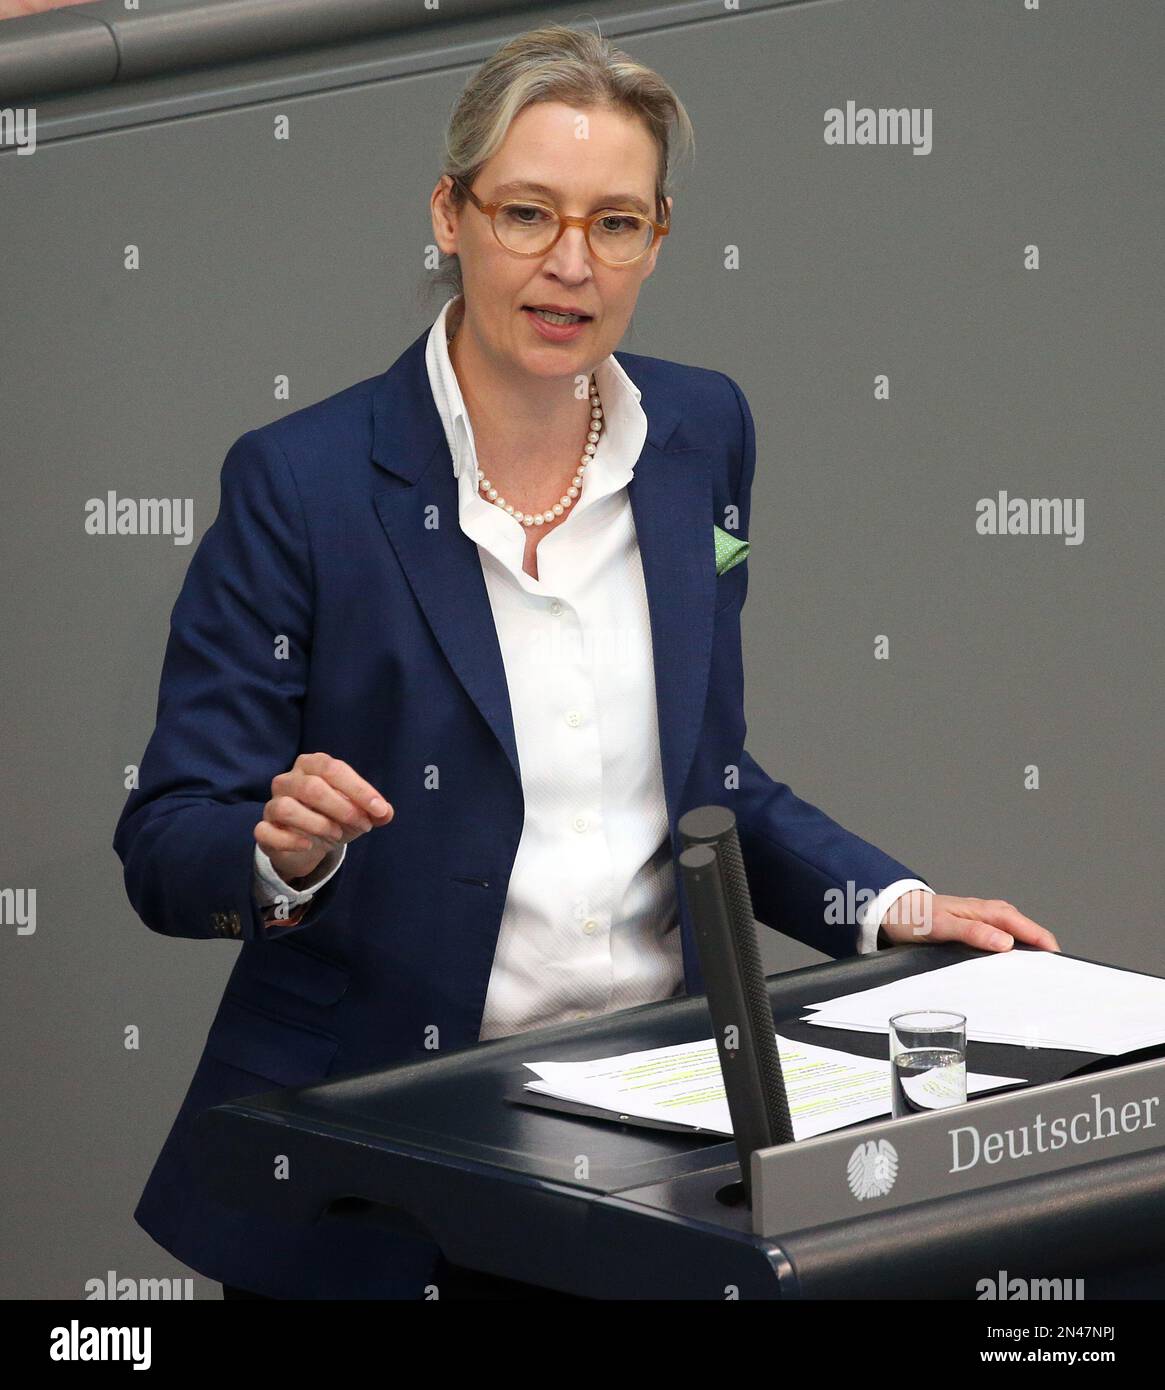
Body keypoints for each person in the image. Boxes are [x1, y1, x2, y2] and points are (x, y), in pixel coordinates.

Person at [113, 21, 1059, 1302]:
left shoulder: (700, 433)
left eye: (615, 223)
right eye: (526, 214)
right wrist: (281, 853)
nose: (570, 265)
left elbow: (709, 779)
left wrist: (890, 908)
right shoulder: (302, 482)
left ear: (657, 238)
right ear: (448, 214)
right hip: (386, 1157)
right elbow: (170, 839)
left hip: (657, 1130)